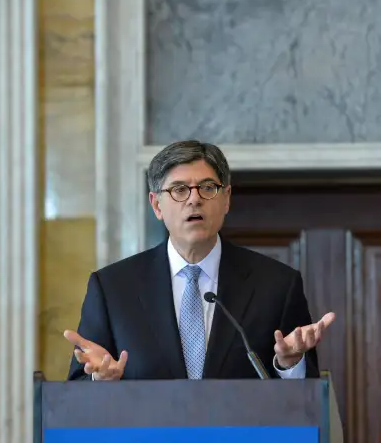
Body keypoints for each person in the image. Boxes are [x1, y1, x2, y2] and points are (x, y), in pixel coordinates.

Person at [64, 140, 335, 381]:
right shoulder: (113, 288)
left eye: (207, 187)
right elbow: (76, 396)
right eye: (179, 190)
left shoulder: (277, 285)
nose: (194, 199)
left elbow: (308, 402)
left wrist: (289, 364)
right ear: (157, 205)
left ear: (226, 199)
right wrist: (100, 382)